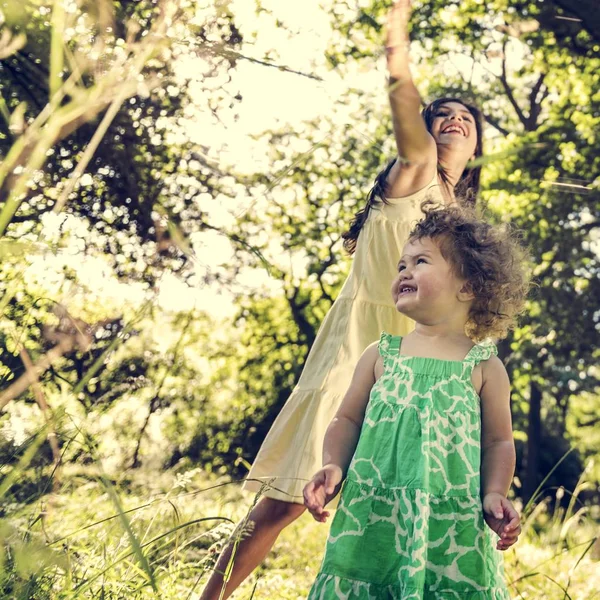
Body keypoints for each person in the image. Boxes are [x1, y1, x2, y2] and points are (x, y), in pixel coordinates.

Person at [200, 1, 484, 597]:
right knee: (285, 505)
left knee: (411, 518)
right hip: (360, 346)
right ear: (425, 131)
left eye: (467, 117)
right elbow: (408, 113)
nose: (455, 119)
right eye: (442, 114)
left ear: (477, 146)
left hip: (427, 364)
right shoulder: (413, 175)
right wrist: (396, 45)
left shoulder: (467, 224)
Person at [303, 203, 530, 598]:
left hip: (450, 524)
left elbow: (499, 441)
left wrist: (494, 492)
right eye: (401, 265)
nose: (404, 271)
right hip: (374, 514)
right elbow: (347, 420)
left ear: (468, 286)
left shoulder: (484, 367)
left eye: (420, 261)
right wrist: (332, 464)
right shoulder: (381, 355)